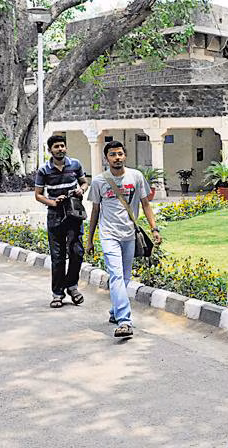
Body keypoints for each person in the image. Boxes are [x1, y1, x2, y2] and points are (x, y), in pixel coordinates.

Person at [87, 141, 161, 339]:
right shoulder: (99, 181)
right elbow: (95, 210)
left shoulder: (135, 176)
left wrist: (154, 229)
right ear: (106, 158)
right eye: (113, 154)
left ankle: (115, 311)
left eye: (120, 154)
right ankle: (124, 321)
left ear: (125, 156)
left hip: (129, 234)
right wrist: (90, 239)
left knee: (125, 277)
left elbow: (145, 204)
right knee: (117, 275)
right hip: (109, 234)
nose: (117, 157)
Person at [34, 134, 89, 308]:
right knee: (58, 257)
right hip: (55, 216)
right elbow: (38, 195)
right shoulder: (44, 170)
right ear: (50, 150)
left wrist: (81, 190)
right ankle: (57, 294)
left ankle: (72, 286)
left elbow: (84, 183)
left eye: (62, 146)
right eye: (56, 146)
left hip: (74, 213)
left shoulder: (75, 164)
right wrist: (53, 202)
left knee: (77, 252)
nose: (60, 149)